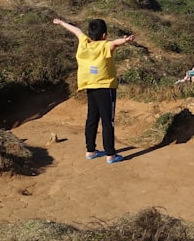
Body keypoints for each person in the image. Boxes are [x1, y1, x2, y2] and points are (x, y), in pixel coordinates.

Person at [53, 17, 134, 164]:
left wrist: (61, 23)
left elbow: (76, 30)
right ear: (104, 35)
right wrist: (126, 40)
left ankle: (90, 151)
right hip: (105, 87)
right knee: (107, 121)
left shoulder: (84, 42)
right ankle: (111, 154)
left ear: (90, 34)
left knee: (92, 118)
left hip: (90, 86)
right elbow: (116, 43)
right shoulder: (105, 46)